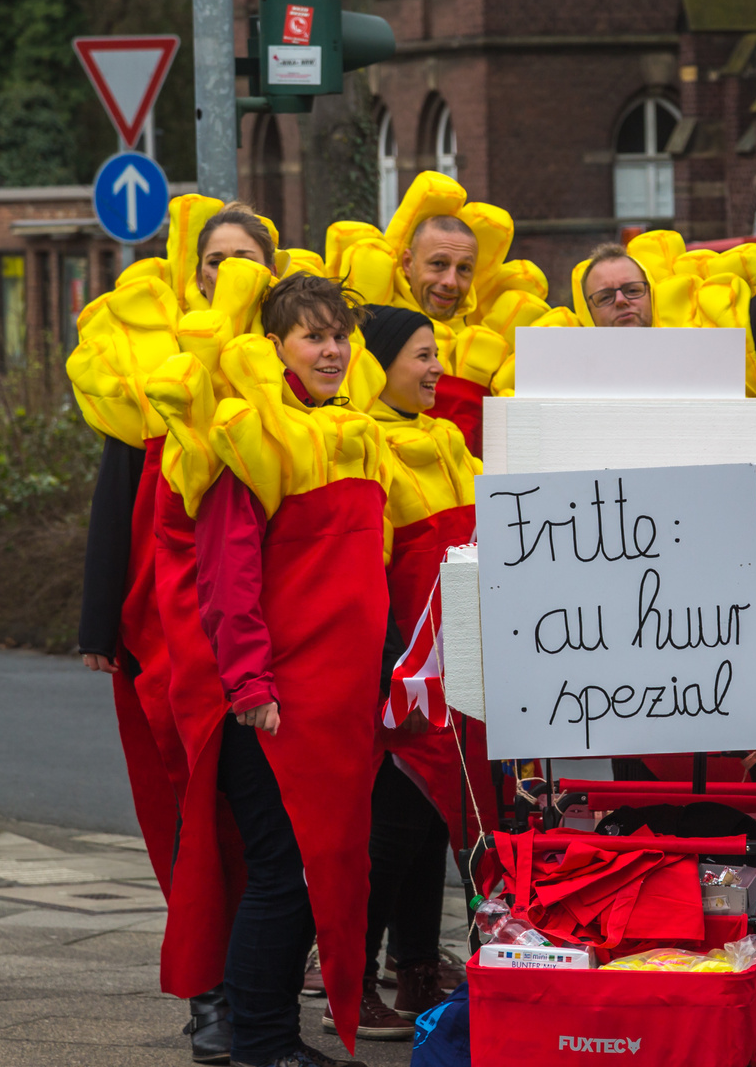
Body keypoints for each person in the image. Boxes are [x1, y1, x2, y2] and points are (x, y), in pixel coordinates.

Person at [150, 272, 393, 1067]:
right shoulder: (245, 436)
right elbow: (227, 576)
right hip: (274, 702)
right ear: (275, 346)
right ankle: (259, 1041)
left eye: (338, 336)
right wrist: (251, 686)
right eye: (312, 335)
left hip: (331, 703)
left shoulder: (348, 430)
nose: (330, 349)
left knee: (313, 868)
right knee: (285, 871)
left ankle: (275, 1036)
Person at [69, 199, 287, 1065]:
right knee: (193, 818)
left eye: (243, 258)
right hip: (167, 635)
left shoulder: (293, 365)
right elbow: (116, 494)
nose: (225, 273)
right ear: (191, 272)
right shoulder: (159, 373)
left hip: (272, 641)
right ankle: (212, 995)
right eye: (213, 259)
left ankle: (256, 987)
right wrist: (99, 619)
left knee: (269, 830)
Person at [317, 305, 495, 1042]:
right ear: (381, 362)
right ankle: (347, 985)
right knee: (390, 835)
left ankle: (418, 966)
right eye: (422, 356)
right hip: (407, 677)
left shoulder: (446, 439)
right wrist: (399, 673)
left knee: (427, 829)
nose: (435, 370)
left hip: (460, 672)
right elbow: (367, 573)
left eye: (439, 355)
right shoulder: (367, 447)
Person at [537, 128, 756, 401]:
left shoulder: (725, 348)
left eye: (632, 290)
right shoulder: (562, 379)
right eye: (604, 296)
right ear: (587, 314)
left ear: (651, 294)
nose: (620, 301)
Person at [336, 172, 551, 454]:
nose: (450, 281)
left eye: (463, 269)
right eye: (438, 264)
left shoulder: (493, 340)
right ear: (408, 262)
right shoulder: (367, 325)